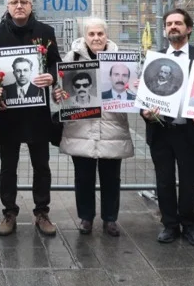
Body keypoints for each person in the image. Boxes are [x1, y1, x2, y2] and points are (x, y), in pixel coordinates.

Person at [0, 0, 61, 237]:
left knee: (42, 165)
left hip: (38, 112)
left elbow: (55, 62)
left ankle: (42, 212)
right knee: (8, 166)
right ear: (7, 6)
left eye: (24, 2)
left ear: (31, 5)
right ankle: (9, 212)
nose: (19, 5)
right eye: (14, 2)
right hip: (9, 113)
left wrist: (52, 76)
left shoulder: (45, 32)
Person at [54, 18, 134, 237]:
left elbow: (134, 89)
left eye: (100, 34)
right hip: (80, 127)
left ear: (106, 35)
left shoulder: (120, 61)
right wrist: (58, 94)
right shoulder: (71, 58)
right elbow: (59, 89)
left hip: (112, 126)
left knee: (111, 177)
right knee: (83, 177)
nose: (96, 38)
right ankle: (86, 217)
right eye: (92, 34)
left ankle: (110, 219)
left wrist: (135, 88)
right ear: (85, 36)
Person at [141, 9, 194, 247]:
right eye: (169, 23)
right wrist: (145, 113)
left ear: (188, 28)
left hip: (188, 131)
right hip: (160, 131)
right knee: (164, 180)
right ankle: (170, 225)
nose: (173, 27)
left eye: (178, 23)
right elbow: (144, 97)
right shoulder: (154, 59)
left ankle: (190, 225)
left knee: (188, 180)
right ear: (165, 29)